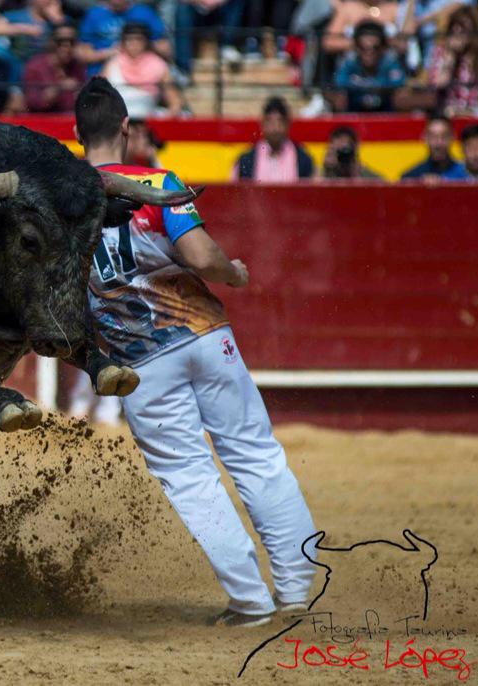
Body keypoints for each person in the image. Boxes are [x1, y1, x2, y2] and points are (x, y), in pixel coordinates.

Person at [74, 77, 316, 627]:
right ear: (126, 128)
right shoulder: (157, 180)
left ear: (75, 135)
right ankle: (300, 588)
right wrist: (232, 273)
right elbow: (201, 255)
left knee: (189, 475)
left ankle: (252, 602)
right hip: (207, 337)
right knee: (255, 454)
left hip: (139, 363)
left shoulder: (61, 202)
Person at [101, 23, 182, 117]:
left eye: (138, 39)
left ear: (146, 42)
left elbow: (175, 102)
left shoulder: (158, 65)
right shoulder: (112, 63)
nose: (134, 43)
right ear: (123, 41)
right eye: (129, 39)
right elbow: (100, 97)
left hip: (146, 120)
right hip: (116, 121)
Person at [328, 20, 405, 113]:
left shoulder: (390, 64)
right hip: (354, 115)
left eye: (375, 48)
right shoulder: (348, 64)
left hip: (385, 115)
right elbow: (339, 87)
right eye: (362, 48)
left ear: (383, 48)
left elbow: (399, 90)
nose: (369, 53)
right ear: (355, 47)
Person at [232, 97, 313, 182]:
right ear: (262, 124)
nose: (275, 128)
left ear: (287, 124)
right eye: (270, 122)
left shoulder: (303, 159)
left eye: (280, 122)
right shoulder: (246, 160)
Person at [79, 0, 170, 73]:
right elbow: (82, 54)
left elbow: (165, 50)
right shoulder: (94, 14)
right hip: (101, 75)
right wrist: (109, 53)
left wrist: (141, 46)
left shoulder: (145, 13)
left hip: (142, 72)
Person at [425, 7, 478, 117]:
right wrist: (450, 59)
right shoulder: (440, 52)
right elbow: (437, 86)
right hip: (450, 113)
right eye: (454, 29)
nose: (457, 34)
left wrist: (470, 58)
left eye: (463, 30)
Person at [22, 23, 87, 112]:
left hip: (71, 120)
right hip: (43, 121)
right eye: (60, 41)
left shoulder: (77, 65)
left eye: (72, 41)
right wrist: (59, 88)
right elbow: (32, 103)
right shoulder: (35, 66)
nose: (67, 46)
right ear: (51, 42)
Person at [174, 0, 246, 75]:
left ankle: (226, 46)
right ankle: (182, 69)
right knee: (182, 9)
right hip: (195, 8)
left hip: (219, 8)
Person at [321, 0, 399, 56]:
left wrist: (382, 43)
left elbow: (405, 42)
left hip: (389, 70)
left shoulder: (395, 8)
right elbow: (328, 42)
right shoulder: (347, 8)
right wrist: (359, 44)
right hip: (353, 69)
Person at [400, 115, 465, 180]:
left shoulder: (466, 176)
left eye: (444, 136)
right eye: (433, 137)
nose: (439, 143)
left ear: (452, 137)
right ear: (424, 138)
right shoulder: (411, 178)